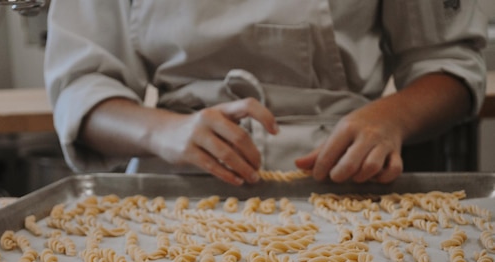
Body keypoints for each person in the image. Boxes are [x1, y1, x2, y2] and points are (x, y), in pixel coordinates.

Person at [44, 0, 487, 186]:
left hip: (341, 177)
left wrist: (390, 119)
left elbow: (449, 62)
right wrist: (165, 131)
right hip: (176, 183)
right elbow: (82, 87)